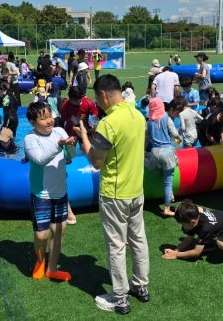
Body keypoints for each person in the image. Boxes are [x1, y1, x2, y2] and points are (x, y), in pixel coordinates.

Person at [74, 75, 150, 315]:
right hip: (136, 190)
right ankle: (141, 286)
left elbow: (97, 162)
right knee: (138, 239)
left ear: (104, 95)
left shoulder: (108, 123)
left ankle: (119, 298)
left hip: (115, 193)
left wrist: (84, 137)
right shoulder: (138, 115)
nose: (98, 103)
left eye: (98, 99)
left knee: (116, 246)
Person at [24, 102, 77, 281]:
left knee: (59, 230)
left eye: (49, 116)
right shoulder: (30, 139)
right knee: (42, 234)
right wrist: (59, 145)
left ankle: (52, 268)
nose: (49, 121)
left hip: (60, 192)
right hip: (42, 194)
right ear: (33, 122)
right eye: (43, 118)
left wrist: (70, 145)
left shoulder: (60, 131)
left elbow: (70, 156)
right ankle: (40, 261)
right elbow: (40, 159)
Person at [162, 199, 223, 264]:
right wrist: (176, 250)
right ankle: (211, 242)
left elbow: (196, 252)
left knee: (221, 244)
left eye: (183, 224)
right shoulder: (195, 216)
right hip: (222, 223)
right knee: (194, 233)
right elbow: (189, 238)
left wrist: (177, 255)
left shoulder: (205, 228)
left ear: (192, 222)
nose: (182, 226)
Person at [145, 98, 180, 217]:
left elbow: (147, 140)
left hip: (155, 153)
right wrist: (179, 138)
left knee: (160, 169)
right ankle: (167, 208)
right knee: (168, 182)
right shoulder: (166, 118)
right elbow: (175, 134)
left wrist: (144, 151)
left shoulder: (149, 122)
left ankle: (170, 194)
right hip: (167, 153)